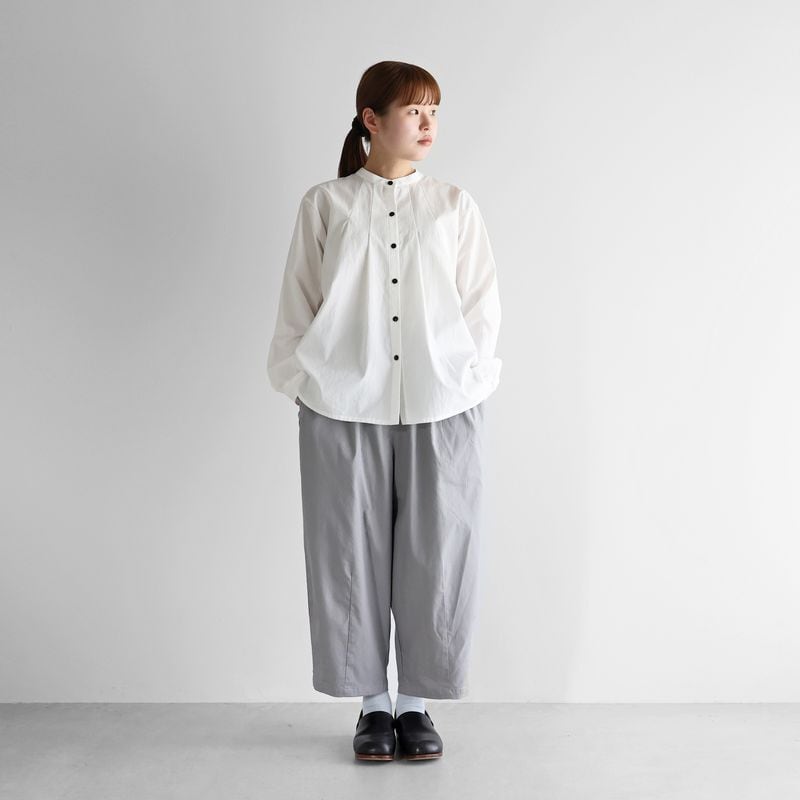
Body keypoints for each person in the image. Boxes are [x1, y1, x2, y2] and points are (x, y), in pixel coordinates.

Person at [267, 60, 502, 761]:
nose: (428, 124)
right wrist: (306, 381)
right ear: (372, 119)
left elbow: (480, 307)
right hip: (342, 405)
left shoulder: (454, 205)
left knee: (440, 553)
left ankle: (416, 704)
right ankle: (372, 706)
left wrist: (467, 378)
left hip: (443, 404)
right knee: (347, 553)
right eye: (413, 110)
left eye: (435, 110)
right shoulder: (327, 204)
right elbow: (298, 301)